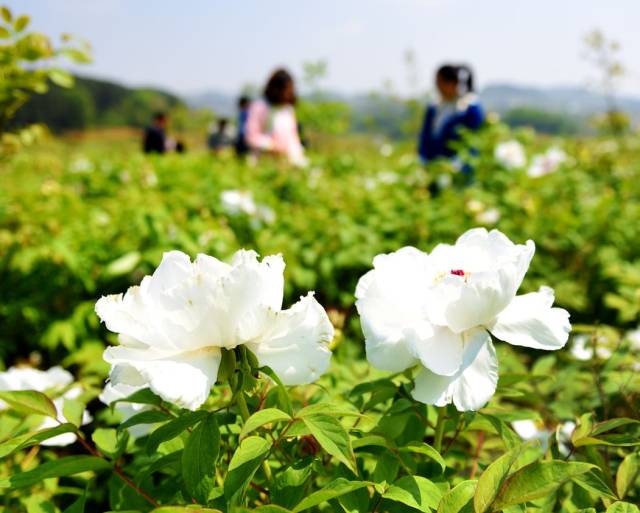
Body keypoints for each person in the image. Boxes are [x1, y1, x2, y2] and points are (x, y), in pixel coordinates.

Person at [417, 64, 484, 166]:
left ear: (453, 83)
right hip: (432, 168)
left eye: (440, 82)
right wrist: (423, 160)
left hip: (459, 170)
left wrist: (457, 166)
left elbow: (473, 142)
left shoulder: (469, 108)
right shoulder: (435, 107)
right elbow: (425, 138)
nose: (437, 87)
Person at [245, 68, 307, 167]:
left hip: (286, 161)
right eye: (286, 90)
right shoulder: (260, 107)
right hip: (262, 161)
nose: (288, 94)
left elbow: (293, 137)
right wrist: (272, 146)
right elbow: (251, 136)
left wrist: (298, 157)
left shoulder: (288, 110)